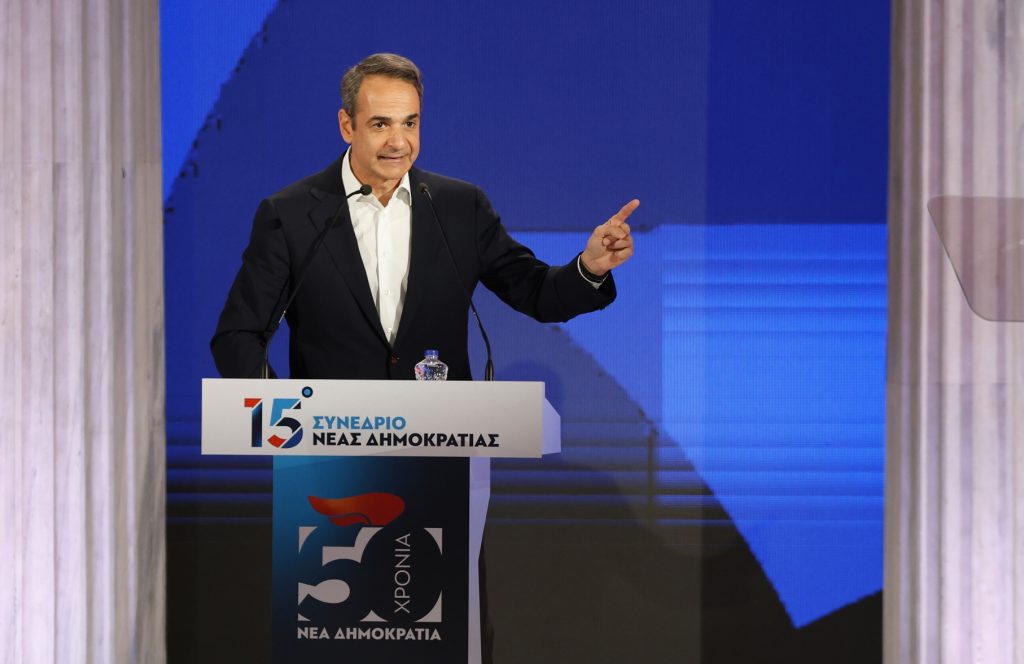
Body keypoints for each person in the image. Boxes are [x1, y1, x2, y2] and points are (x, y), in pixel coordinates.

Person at [211, 52, 636, 380]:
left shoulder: (460, 207)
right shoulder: (291, 213)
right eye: (381, 125)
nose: (399, 142)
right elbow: (238, 335)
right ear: (347, 126)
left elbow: (537, 294)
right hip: (328, 450)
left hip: (439, 445)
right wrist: (285, 416)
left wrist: (590, 267)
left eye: (410, 123)